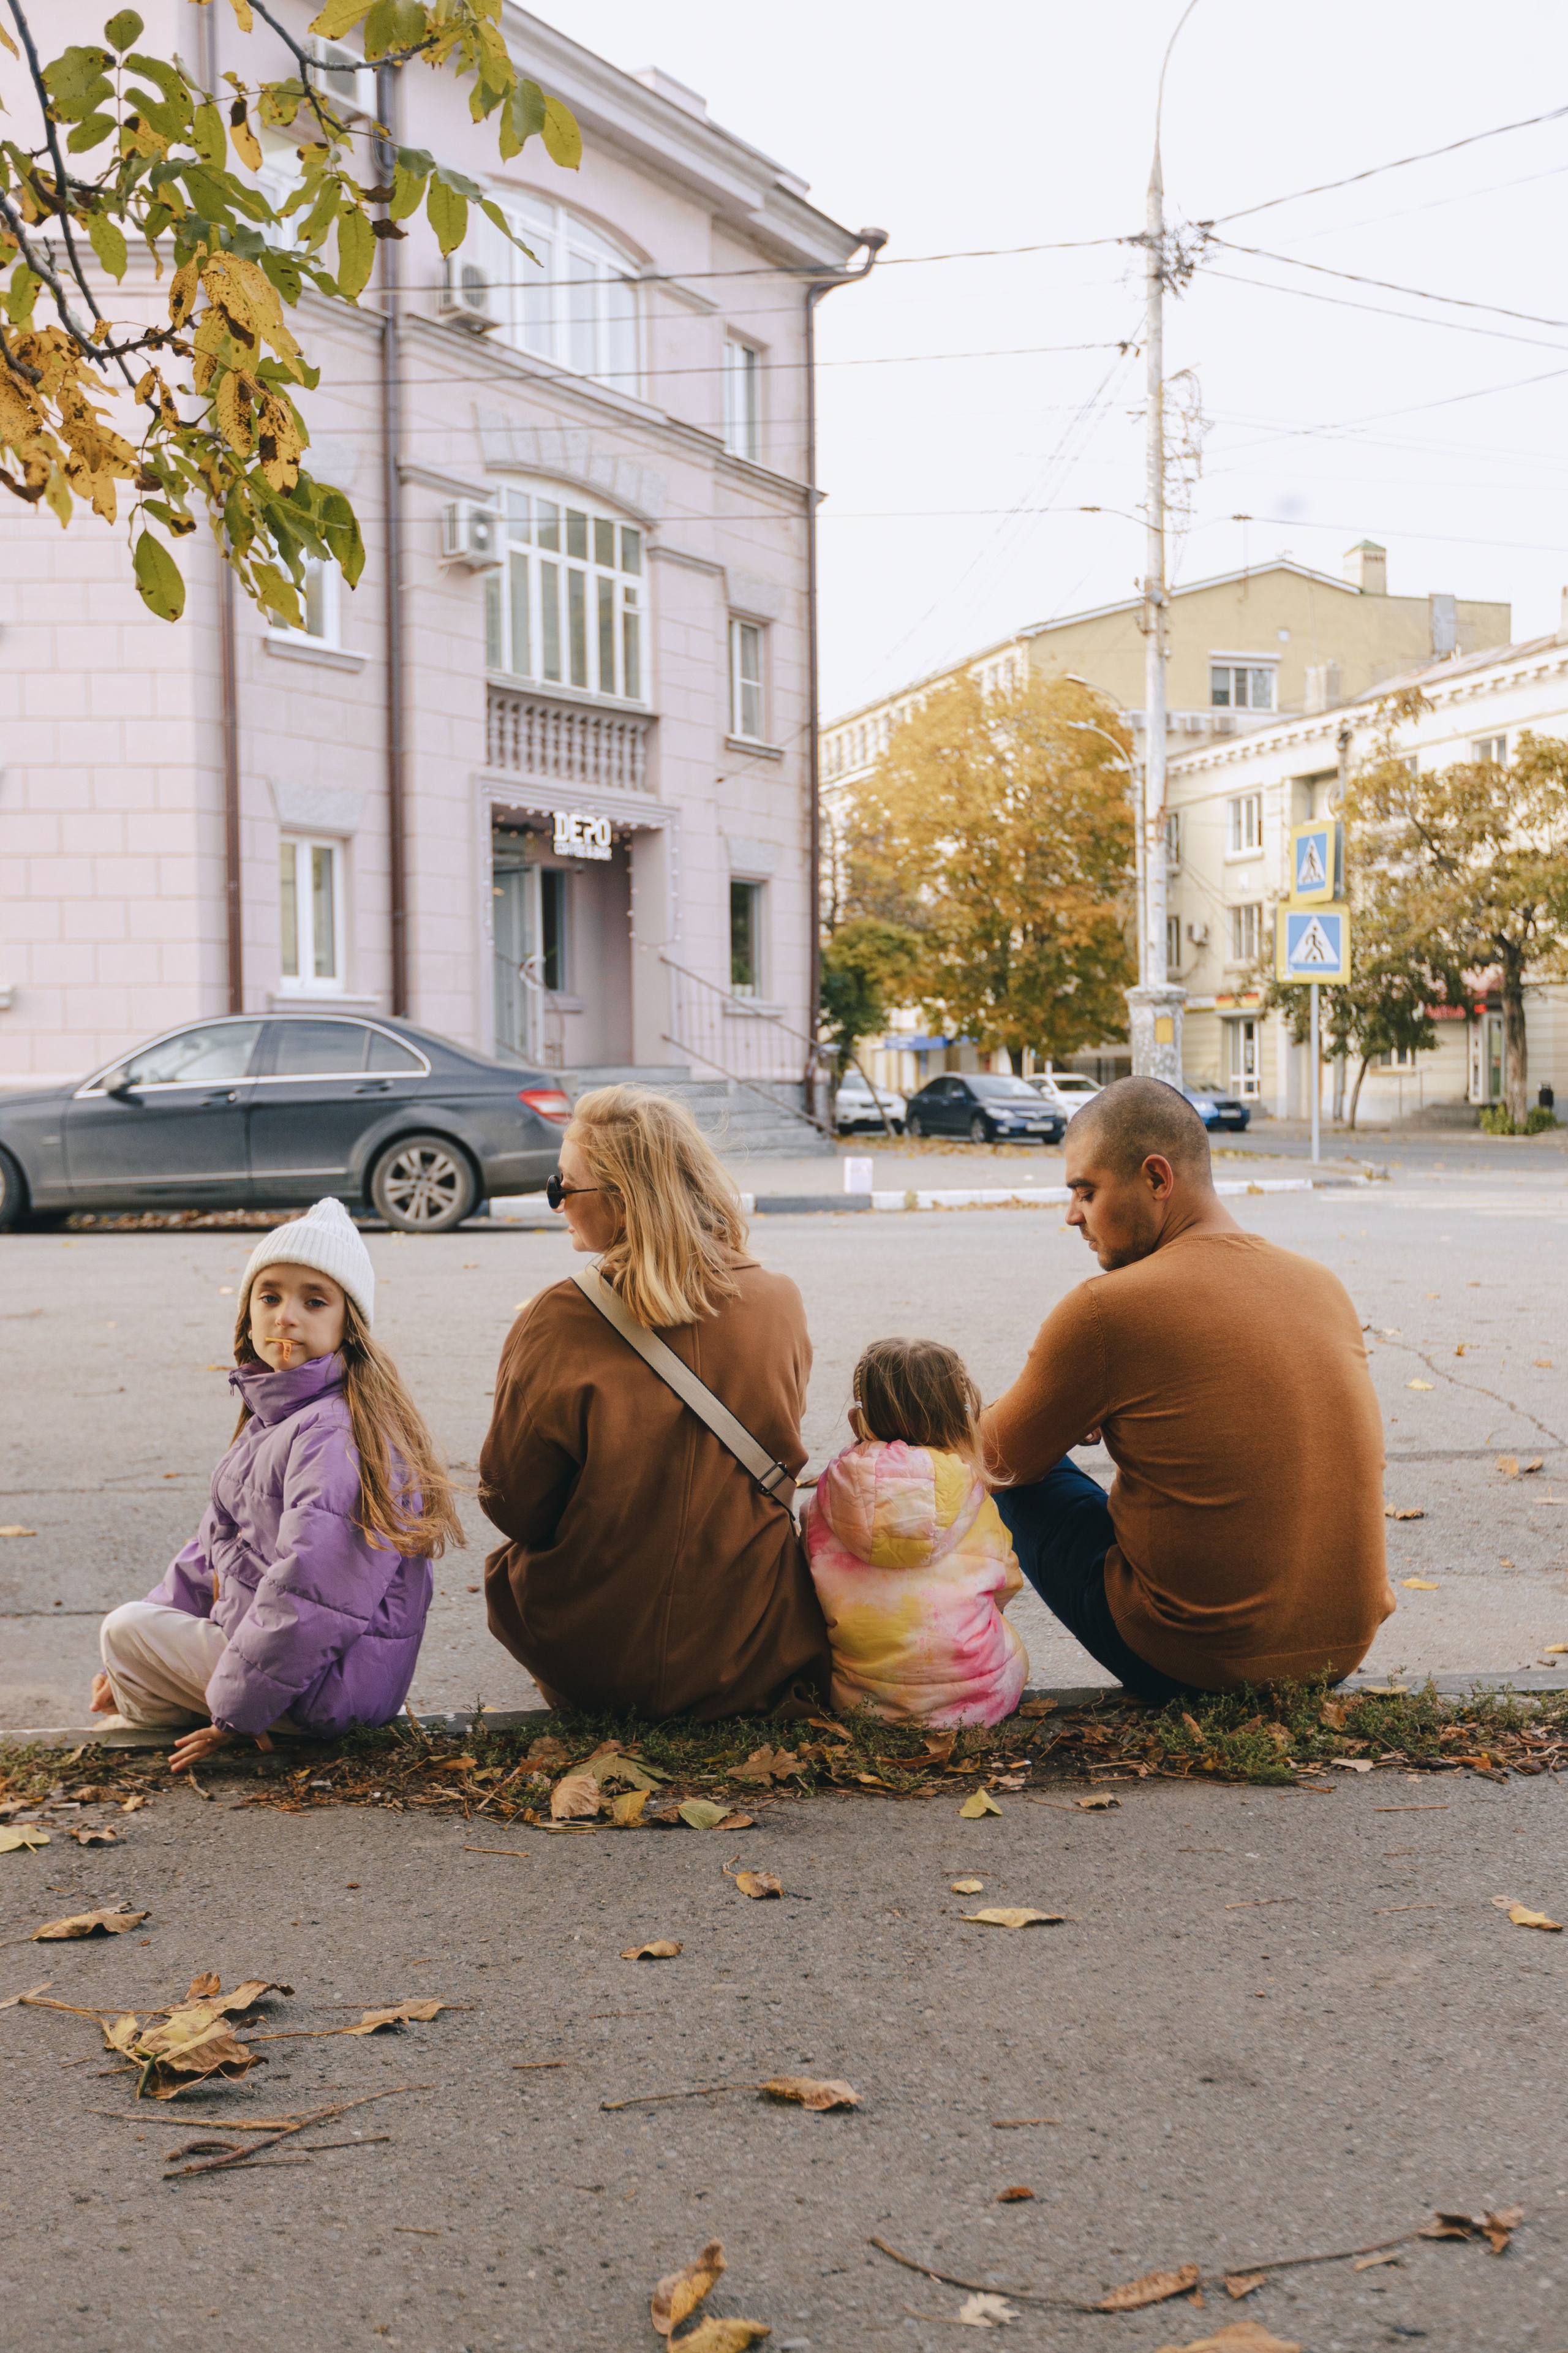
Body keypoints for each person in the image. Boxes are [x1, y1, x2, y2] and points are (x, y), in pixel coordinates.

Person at [980, 1076, 1392, 1701]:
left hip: (1192, 1661)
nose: (1071, 1215)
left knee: (1021, 1469)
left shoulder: (1105, 1310)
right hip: (1338, 1649)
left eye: (1085, 1191)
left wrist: (1056, 1415)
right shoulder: (1321, 1283)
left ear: (1156, 1178)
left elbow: (992, 1459)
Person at [480, 1086, 830, 1720]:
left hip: (592, 1661)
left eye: (562, 1186)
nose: (554, 1200)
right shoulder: (780, 1301)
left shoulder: (556, 1317)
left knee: (507, 1566)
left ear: (620, 1199)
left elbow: (514, 1507)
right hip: (746, 1648)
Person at [91, 1197, 460, 1773]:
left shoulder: (335, 1432)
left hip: (330, 1689)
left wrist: (235, 1713)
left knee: (123, 1631)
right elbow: (211, 1553)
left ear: (349, 1326)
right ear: (247, 1315)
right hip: (314, 1673)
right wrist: (141, 1659)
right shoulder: (279, 1417)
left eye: (314, 1301)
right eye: (270, 1297)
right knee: (133, 1637)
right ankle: (166, 1706)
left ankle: (205, 1730)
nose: (286, 1316)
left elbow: (312, 1594)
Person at [802, 1337, 1028, 1726]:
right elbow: (1007, 1584)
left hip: (860, 1699)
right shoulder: (972, 1495)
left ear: (858, 1419)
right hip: (981, 1698)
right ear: (964, 1418)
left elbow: (808, 1587)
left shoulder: (826, 1498)